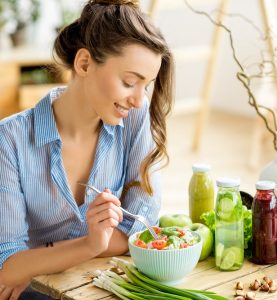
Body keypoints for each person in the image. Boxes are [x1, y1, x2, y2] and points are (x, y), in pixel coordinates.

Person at [0, 0, 174, 298]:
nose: (137, 99)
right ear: (83, 64)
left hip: (100, 285)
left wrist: (37, 260)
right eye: (129, 82)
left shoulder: (134, 116)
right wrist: (91, 244)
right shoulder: (10, 140)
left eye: (145, 85)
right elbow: (8, 266)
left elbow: (143, 227)